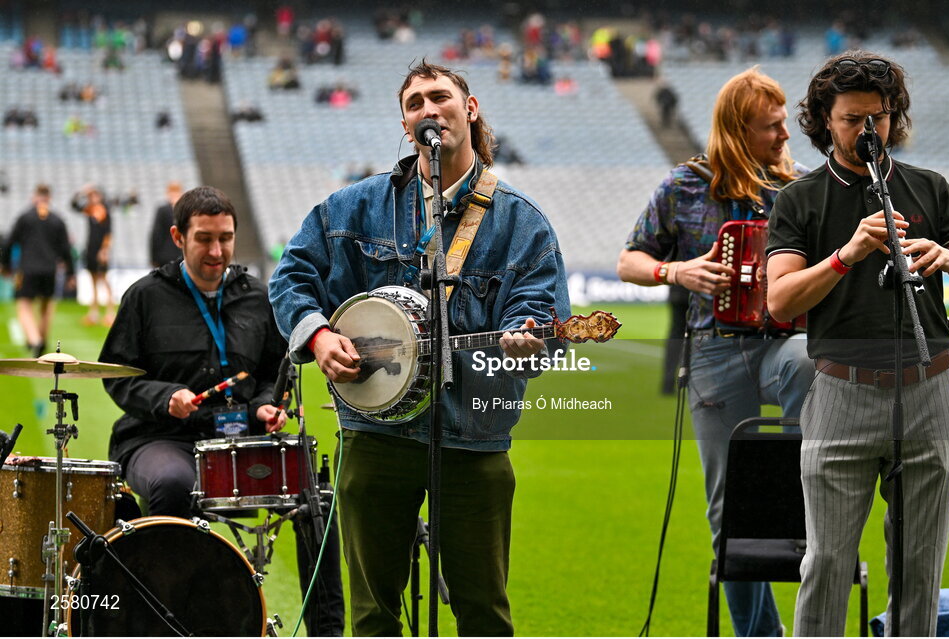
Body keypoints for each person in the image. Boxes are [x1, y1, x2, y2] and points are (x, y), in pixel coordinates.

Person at [268, 60, 571, 636]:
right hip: (374, 432)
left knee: (483, 611)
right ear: (406, 125)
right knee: (372, 612)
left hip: (472, 436)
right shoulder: (354, 207)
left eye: (440, 97)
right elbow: (291, 277)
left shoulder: (522, 224)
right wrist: (319, 333)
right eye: (415, 104)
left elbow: (541, 322)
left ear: (470, 108)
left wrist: (523, 343)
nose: (428, 110)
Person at [765, 51, 949, 636]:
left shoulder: (929, 188)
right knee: (827, 563)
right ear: (824, 120)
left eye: (880, 116)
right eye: (852, 119)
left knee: (920, 570)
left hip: (931, 387)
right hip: (842, 389)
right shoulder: (800, 199)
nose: (869, 131)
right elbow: (781, 300)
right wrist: (848, 254)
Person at [617, 67, 815, 637]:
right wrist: (675, 269)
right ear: (736, 129)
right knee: (727, 514)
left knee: (806, 360)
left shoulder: (800, 187)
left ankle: (805, 478)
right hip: (712, 352)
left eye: (784, 125)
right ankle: (761, 636)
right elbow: (630, 260)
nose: (784, 136)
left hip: (782, 342)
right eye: (771, 127)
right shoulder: (684, 184)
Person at [98, 186, 345, 636]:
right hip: (160, 439)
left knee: (317, 498)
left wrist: (269, 405)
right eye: (205, 239)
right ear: (178, 237)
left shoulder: (258, 296)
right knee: (174, 486)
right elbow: (117, 376)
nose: (217, 251)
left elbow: (275, 372)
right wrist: (165, 397)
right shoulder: (144, 297)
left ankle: (326, 631)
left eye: (226, 238)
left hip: (240, 439)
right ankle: (169, 623)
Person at [2, 184, 74, 357]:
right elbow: (66, 249)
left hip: (27, 269)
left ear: (34, 197)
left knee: (24, 305)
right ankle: (41, 338)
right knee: (46, 305)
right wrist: (71, 274)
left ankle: (34, 340)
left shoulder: (25, 217)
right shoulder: (57, 219)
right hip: (50, 270)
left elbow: (9, 242)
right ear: (49, 198)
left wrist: (5, 266)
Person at [71, 185, 115, 326]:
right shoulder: (90, 210)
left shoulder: (104, 211)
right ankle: (94, 313)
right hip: (90, 249)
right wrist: (82, 191)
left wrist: (105, 250)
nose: (92, 198)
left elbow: (109, 233)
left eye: (94, 195)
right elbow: (73, 205)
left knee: (104, 280)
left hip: (100, 250)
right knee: (93, 281)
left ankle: (110, 312)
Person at [150, 181, 183, 268]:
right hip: (177, 255)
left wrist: (153, 258)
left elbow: (156, 234)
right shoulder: (185, 210)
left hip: (165, 256)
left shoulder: (162, 210)